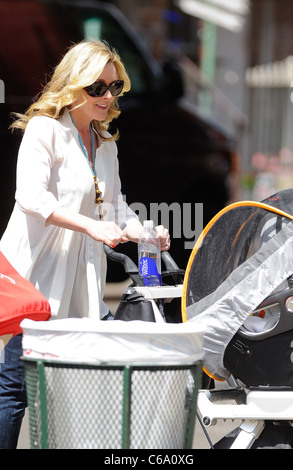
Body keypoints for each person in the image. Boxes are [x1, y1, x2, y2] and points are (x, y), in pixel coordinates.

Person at [0, 40, 170, 448]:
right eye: (96, 87)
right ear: (73, 85)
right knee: (15, 387)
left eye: (114, 87)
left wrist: (144, 232)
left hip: (82, 279)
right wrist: (90, 228)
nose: (106, 96)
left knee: (95, 375)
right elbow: (32, 197)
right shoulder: (46, 130)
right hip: (37, 275)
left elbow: (113, 207)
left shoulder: (105, 144)